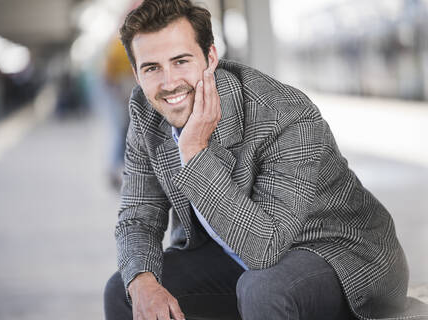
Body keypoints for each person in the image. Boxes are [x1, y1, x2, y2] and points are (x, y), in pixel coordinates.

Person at [104, 1, 428, 319]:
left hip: (338, 253)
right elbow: (137, 218)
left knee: (262, 288)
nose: (169, 82)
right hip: (235, 259)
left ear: (210, 57)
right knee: (125, 289)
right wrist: (142, 280)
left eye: (181, 61)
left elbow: (265, 248)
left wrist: (194, 151)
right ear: (136, 72)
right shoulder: (146, 113)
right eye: (152, 68)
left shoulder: (283, 114)